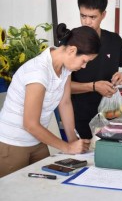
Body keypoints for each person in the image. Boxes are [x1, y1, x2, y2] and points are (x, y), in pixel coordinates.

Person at [0, 24, 101, 177]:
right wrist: (67, 148)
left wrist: (74, 141)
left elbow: (65, 102)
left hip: (37, 141)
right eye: (84, 61)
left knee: (43, 187)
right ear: (72, 50)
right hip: (12, 143)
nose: (84, 66)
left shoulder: (65, 68)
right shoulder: (38, 73)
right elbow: (30, 124)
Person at [71, 0, 122, 139]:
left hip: (111, 115)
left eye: (93, 17)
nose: (87, 22)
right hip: (79, 118)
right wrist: (94, 86)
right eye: (83, 16)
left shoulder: (114, 40)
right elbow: (62, 86)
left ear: (103, 15)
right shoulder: (70, 41)